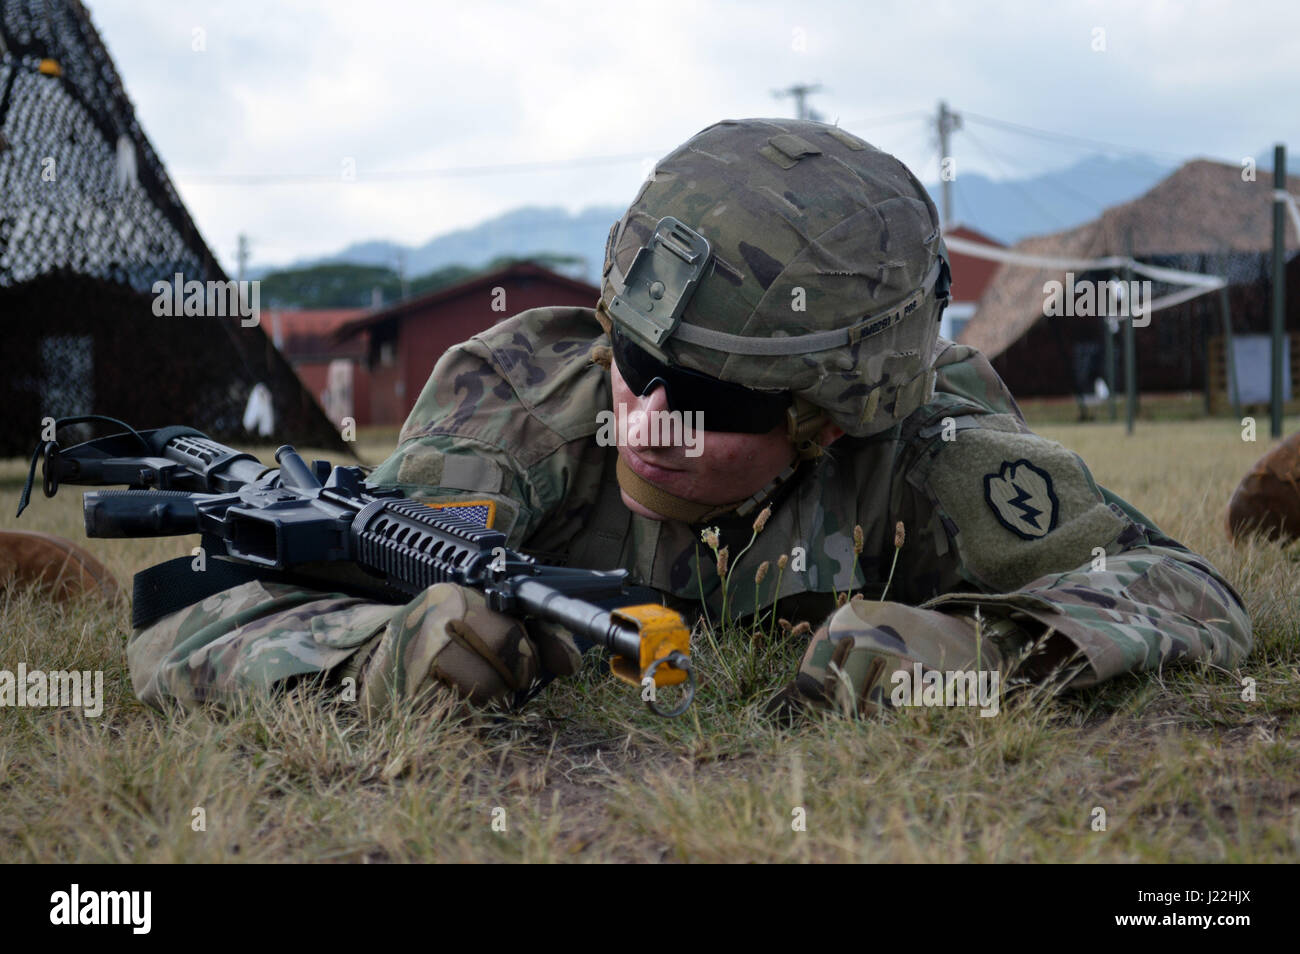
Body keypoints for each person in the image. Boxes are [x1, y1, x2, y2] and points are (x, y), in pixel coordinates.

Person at [127, 118, 1252, 718]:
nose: (647, 418)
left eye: (714, 399)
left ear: (831, 417)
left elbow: (1189, 591)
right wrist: (373, 657)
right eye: (634, 358)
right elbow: (192, 624)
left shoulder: (926, 443)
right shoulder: (514, 405)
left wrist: (978, 653)